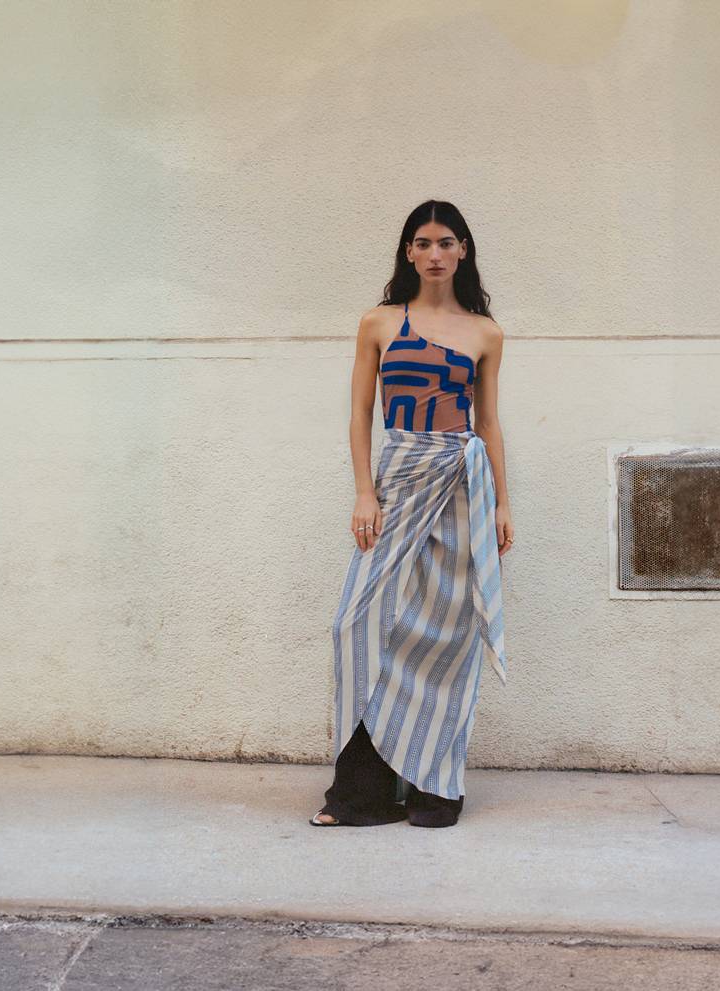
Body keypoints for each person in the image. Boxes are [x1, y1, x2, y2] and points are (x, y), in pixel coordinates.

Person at [312, 200, 513, 829]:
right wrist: (364, 491)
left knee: (447, 636)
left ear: (462, 250)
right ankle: (363, 792)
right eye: (422, 242)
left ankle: (435, 787)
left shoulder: (485, 332)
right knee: (357, 623)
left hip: (460, 484)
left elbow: (488, 422)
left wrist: (503, 504)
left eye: (446, 242)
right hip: (397, 481)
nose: (434, 253)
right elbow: (358, 415)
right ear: (408, 251)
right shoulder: (378, 323)